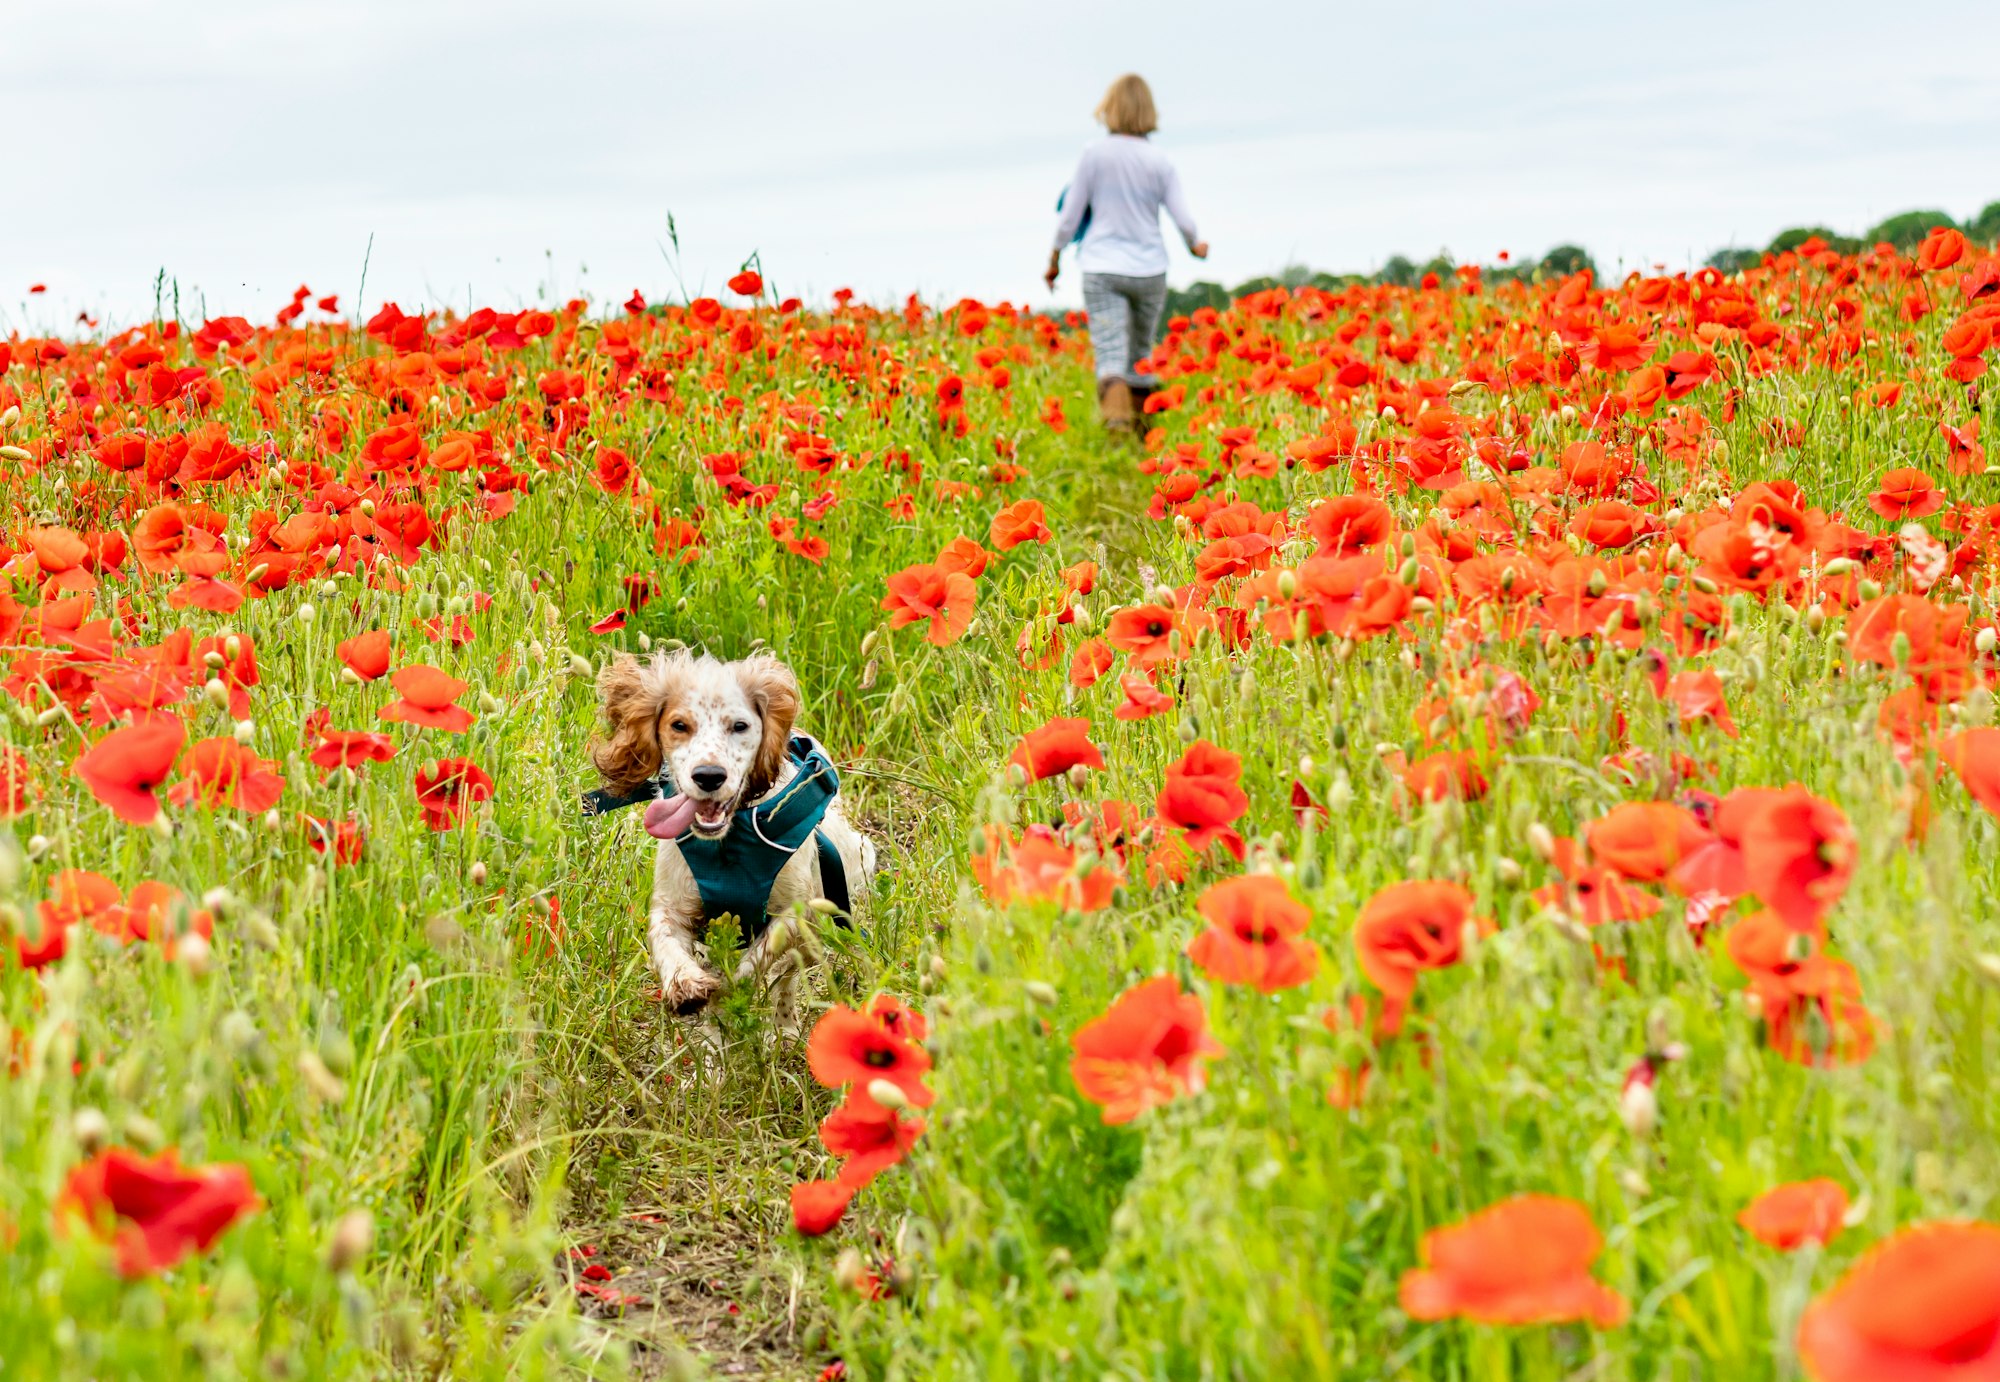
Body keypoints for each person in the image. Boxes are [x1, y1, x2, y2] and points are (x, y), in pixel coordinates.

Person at [1046, 74, 1209, 432]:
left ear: (1110, 109)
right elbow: (1184, 218)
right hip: (1150, 269)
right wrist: (1195, 246)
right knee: (1140, 354)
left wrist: (1054, 259)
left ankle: (1118, 429)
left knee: (1110, 353)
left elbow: (1069, 216)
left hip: (1102, 267)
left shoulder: (1094, 155)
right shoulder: (1159, 160)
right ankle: (1144, 437)